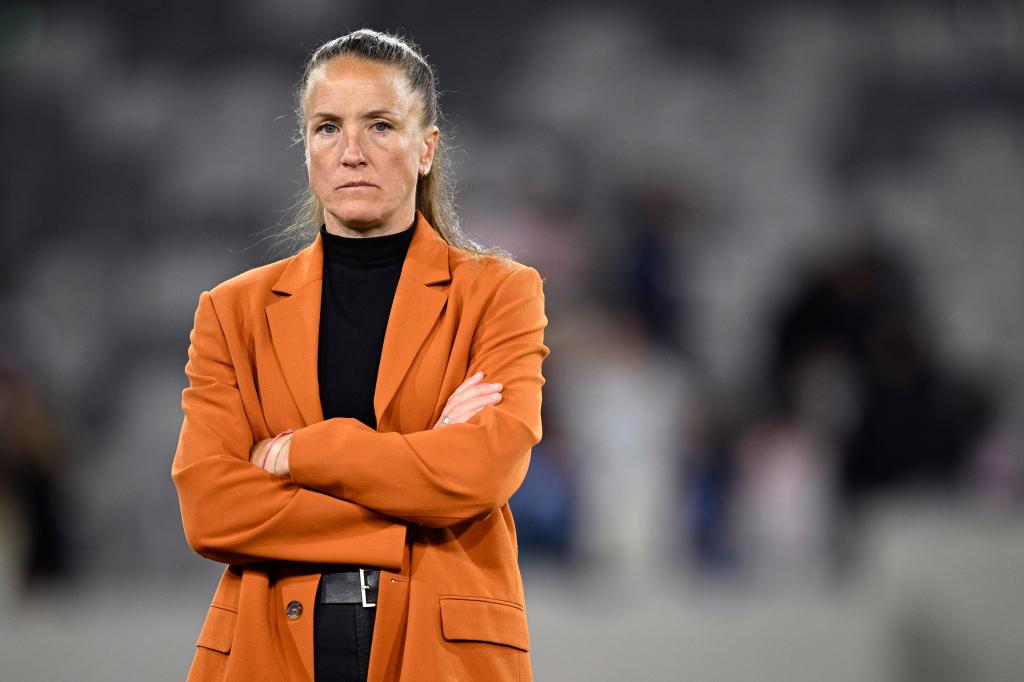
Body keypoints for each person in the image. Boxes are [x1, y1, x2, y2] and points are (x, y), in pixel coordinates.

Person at [171, 29, 549, 682]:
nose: (351, 152)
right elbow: (212, 508)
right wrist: (418, 483)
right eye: (326, 128)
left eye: (379, 124)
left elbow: (483, 471)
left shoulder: (500, 294)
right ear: (307, 149)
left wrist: (305, 453)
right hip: (270, 648)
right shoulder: (230, 313)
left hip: (442, 651)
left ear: (427, 148)